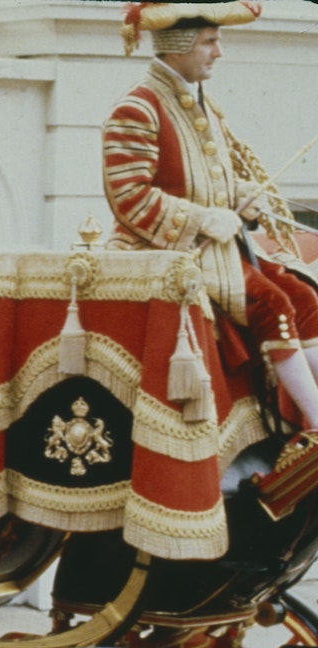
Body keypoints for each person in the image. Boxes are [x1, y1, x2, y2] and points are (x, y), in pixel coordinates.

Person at [104, 1, 318, 428]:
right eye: (210, 41)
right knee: (272, 303)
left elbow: (212, 177)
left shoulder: (205, 105)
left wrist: (240, 194)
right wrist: (201, 218)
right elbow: (128, 198)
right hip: (168, 252)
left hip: (220, 248)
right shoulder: (137, 108)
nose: (218, 52)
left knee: (305, 298)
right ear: (180, 45)